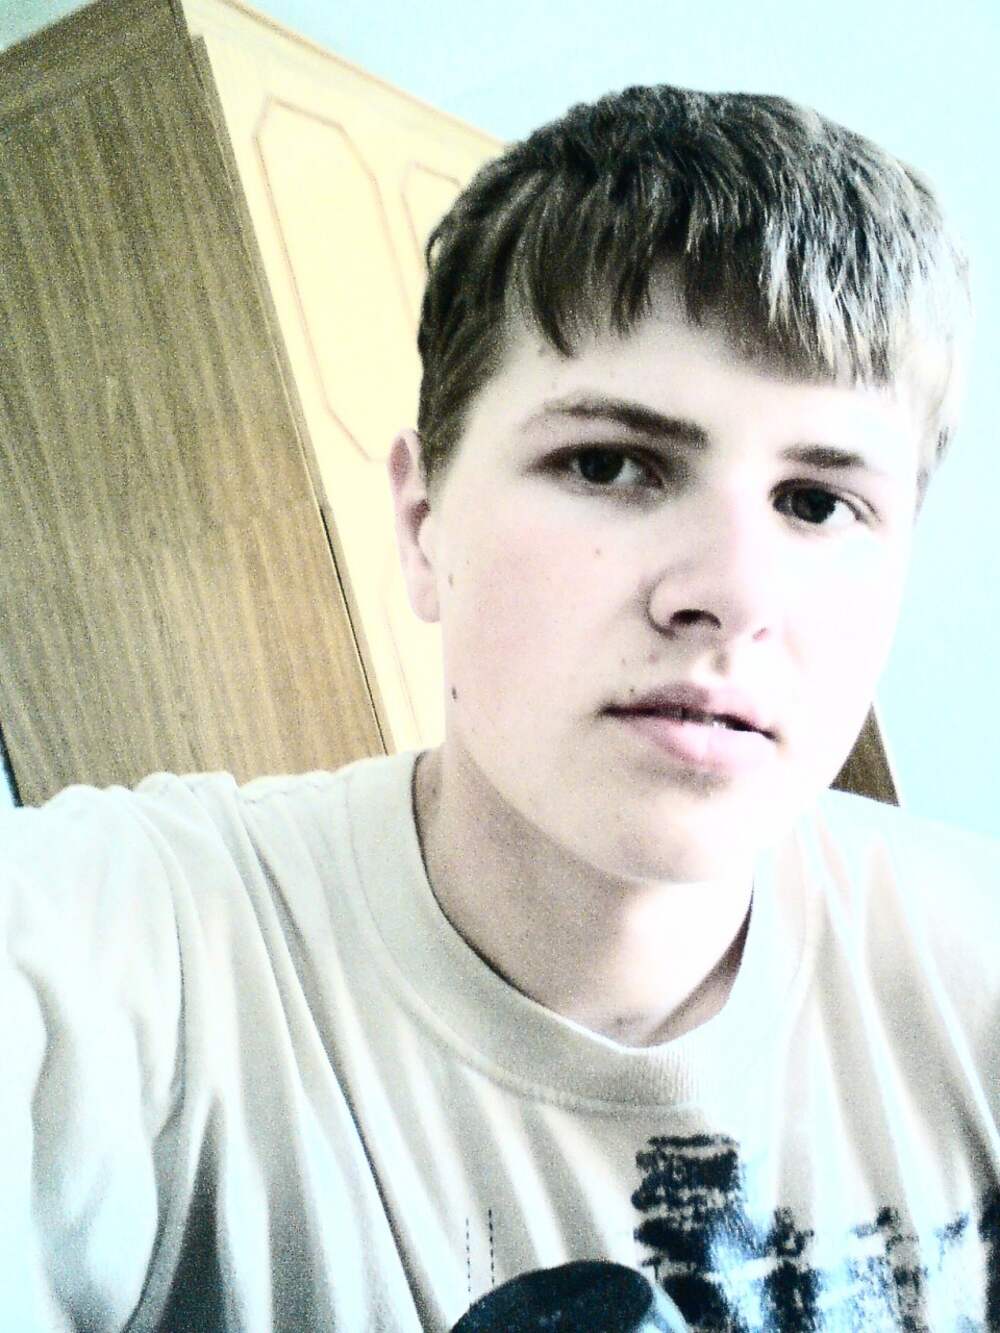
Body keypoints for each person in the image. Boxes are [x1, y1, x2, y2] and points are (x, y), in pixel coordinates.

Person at [2, 80, 994, 1333]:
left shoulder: (973, 968)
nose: (733, 596)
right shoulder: (134, 958)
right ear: (423, 523)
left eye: (818, 503)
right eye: (609, 463)